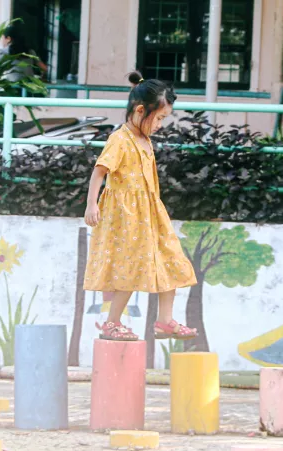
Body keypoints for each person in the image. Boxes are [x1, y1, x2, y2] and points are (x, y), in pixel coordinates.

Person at [83, 71, 198, 342]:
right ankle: (112, 323)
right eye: (158, 118)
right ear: (139, 110)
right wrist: (91, 205)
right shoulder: (120, 139)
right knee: (130, 267)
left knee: (172, 260)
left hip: (150, 212)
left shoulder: (144, 140)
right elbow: (100, 171)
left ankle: (165, 321)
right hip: (127, 216)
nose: (160, 124)